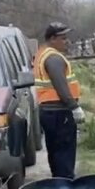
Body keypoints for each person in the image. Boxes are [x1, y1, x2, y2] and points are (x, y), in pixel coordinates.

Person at [34, 22, 85, 179]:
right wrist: (74, 106)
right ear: (52, 38)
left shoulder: (43, 54)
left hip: (50, 112)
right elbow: (60, 84)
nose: (66, 41)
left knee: (55, 153)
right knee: (64, 154)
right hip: (60, 113)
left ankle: (59, 185)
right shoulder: (53, 58)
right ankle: (66, 187)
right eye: (63, 38)